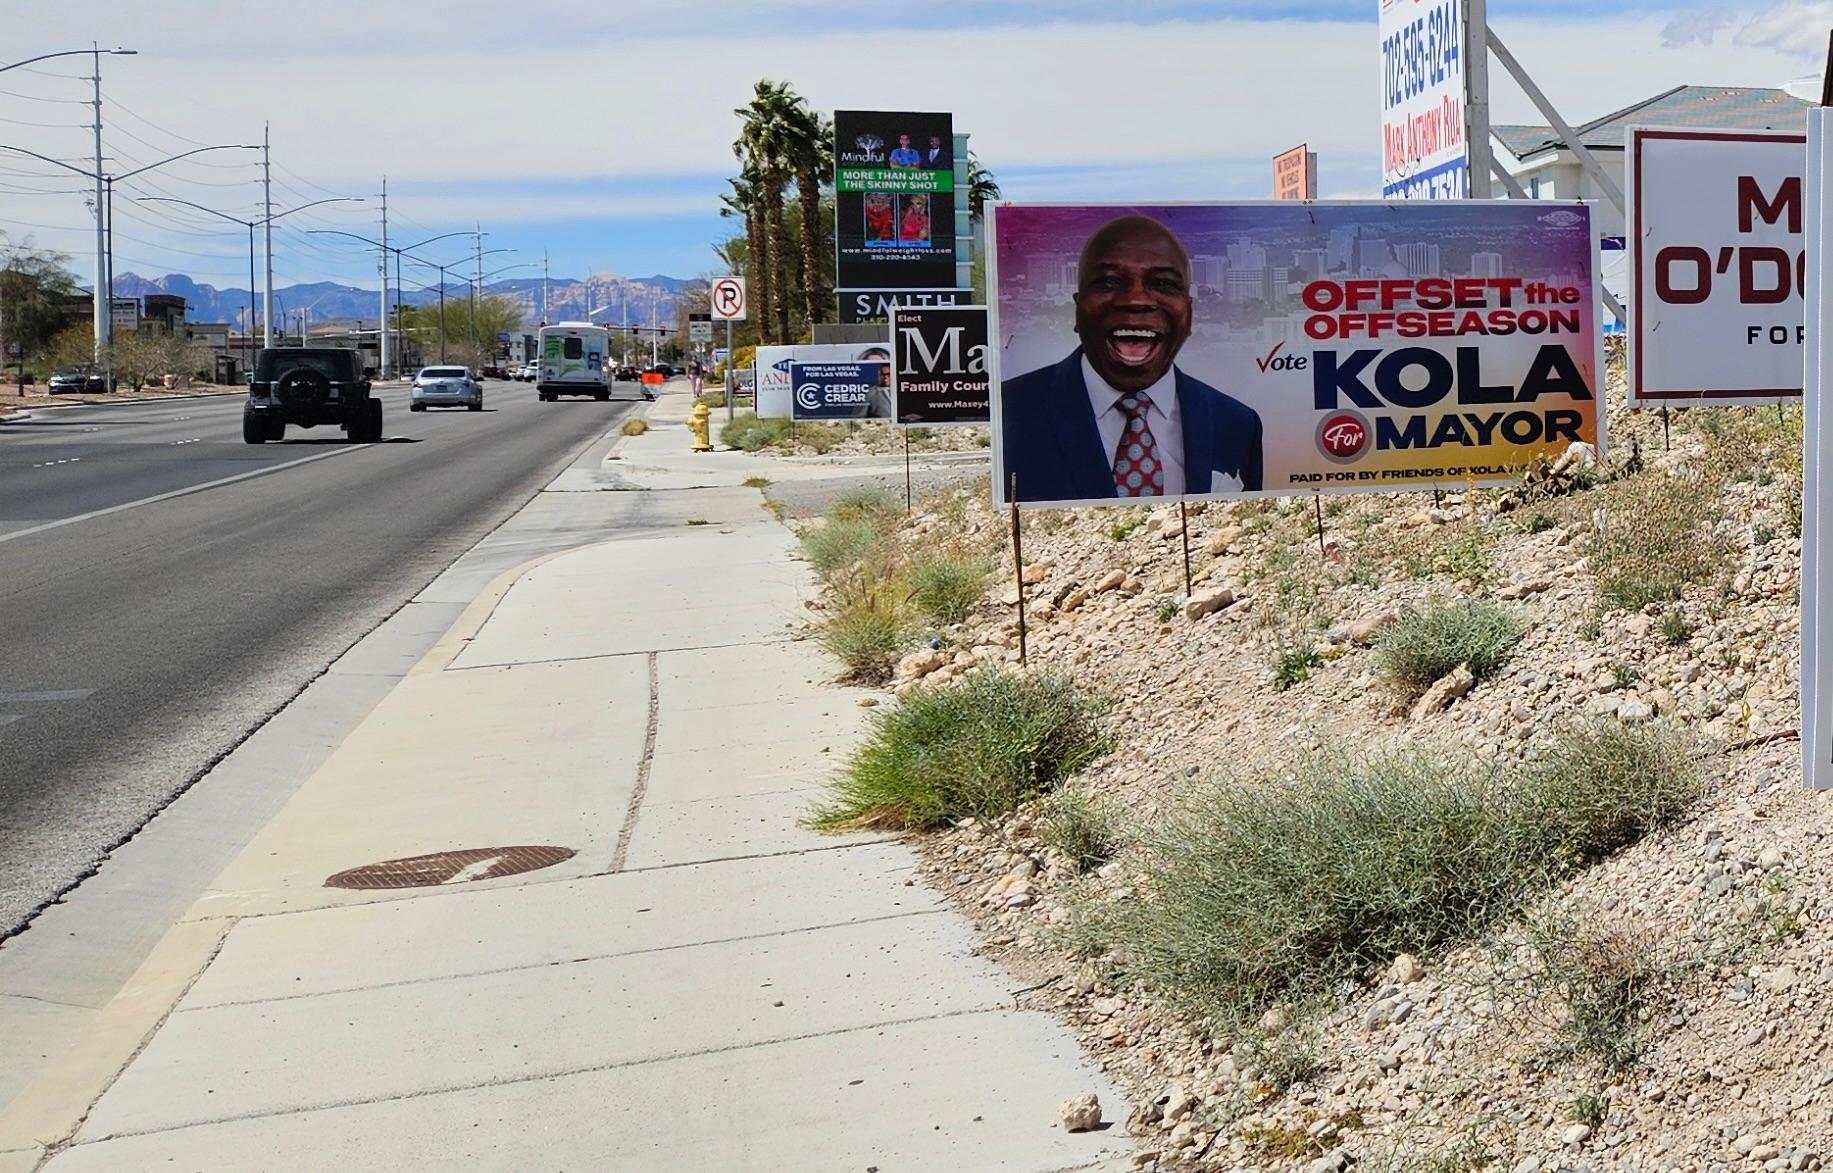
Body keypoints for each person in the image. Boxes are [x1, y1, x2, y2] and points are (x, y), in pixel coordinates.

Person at [1000, 214, 1262, 503]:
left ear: (1189, 315)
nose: (1136, 300)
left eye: (1163, 283)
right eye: (1109, 281)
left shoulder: (1237, 424)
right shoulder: (1009, 411)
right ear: (1077, 310)